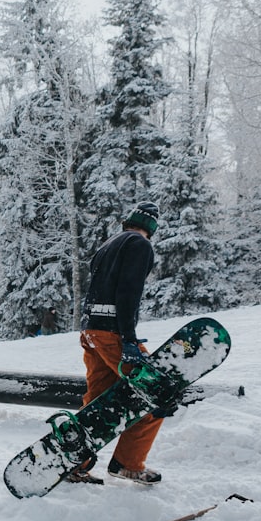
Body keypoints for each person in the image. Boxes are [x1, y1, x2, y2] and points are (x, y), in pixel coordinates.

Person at [72, 202, 167, 485]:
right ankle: (127, 463)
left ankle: (73, 459)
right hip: (113, 333)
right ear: (151, 229)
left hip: (91, 332)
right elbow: (128, 292)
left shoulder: (108, 245)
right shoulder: (140, 245)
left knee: (98, 402)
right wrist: (128, 339)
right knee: (157, 389)